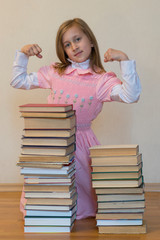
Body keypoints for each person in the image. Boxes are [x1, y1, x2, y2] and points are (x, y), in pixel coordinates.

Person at [11, 18, 141, 220]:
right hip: (52, 142)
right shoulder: (56, 71)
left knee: (80, 185)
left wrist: (125, 60)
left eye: (77, 39)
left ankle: (77, 213)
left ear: (90, 40)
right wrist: (23, 54)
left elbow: (131, 95)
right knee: (48, 187)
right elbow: (18, 80)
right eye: (67, 44)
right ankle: (48, 216)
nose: (74, 47)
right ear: (63, 50)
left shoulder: (101, 80)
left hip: (81, 141)